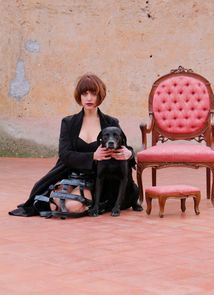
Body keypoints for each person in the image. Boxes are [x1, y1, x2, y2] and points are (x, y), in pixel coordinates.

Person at [9, 73, 143, 217]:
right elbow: (65, 155)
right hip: (70, 173)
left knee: (72, 207)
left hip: (97, 180)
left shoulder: (111, 122)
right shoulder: (68, 123)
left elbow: (125, 145)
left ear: (100, 96)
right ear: (79, 96)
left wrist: (129, 154)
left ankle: (98, 203)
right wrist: (93, 156)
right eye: (85, 93)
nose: (89, 98)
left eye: (93, 93)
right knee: (55, 205)